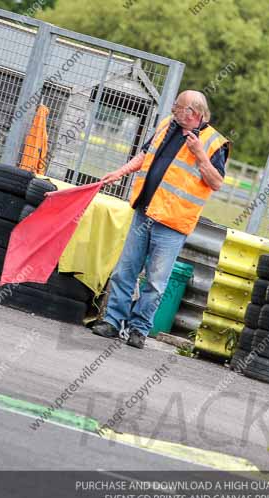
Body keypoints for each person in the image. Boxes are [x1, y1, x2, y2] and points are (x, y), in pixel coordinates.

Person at [93, 90, 230, 348]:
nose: (173, 110)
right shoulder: (168, 125)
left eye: (178, 107)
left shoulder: (213, 143)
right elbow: (145, 155)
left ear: (194, 114)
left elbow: (216, 183)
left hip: (172, 224)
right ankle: (113, 322)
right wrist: (119, 173)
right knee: (125, 271)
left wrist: (200, 154)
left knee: (155, 281)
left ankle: (139, 330)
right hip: (144, 211)